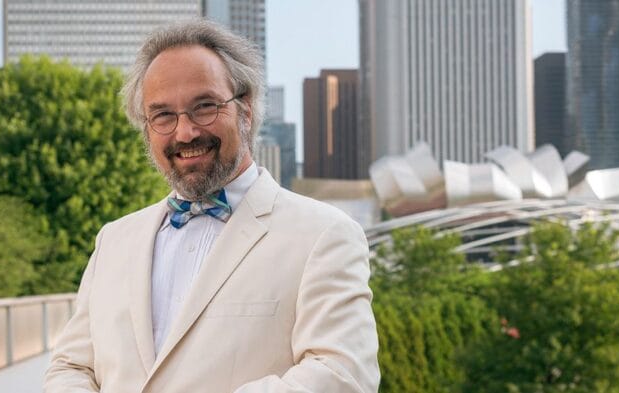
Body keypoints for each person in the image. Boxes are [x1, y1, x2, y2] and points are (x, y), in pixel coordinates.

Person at [44, 19, 380, 393]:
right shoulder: (113, 240)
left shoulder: (324, 234)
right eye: (163, 115)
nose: (184, 132)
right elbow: (70, 366)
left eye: (204, 107)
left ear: (246, 108)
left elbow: (343, 374)